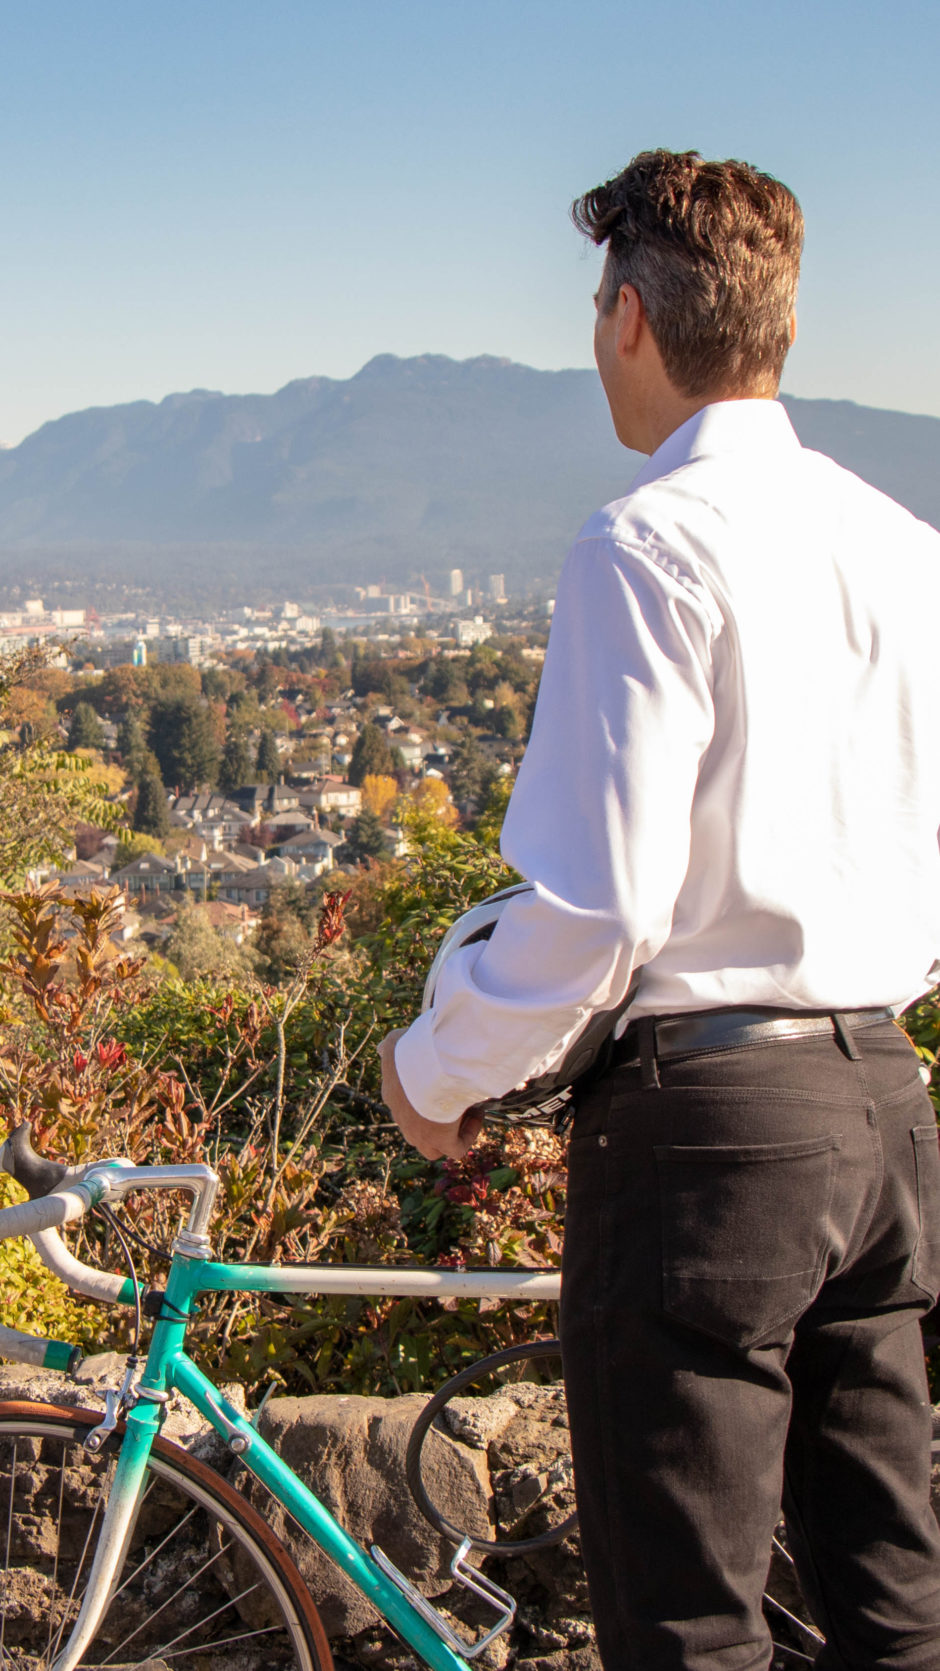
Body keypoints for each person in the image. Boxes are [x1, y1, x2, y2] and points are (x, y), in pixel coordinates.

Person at [380, 149, 940, 1669]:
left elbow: (596, 909)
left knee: (690, 1622)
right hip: (884, 1104)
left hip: (710, 1139)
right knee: (889, 1602)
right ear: (788, 329)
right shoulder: (906, 549)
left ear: (627, 319)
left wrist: (431, 1073)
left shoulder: (644, 543)